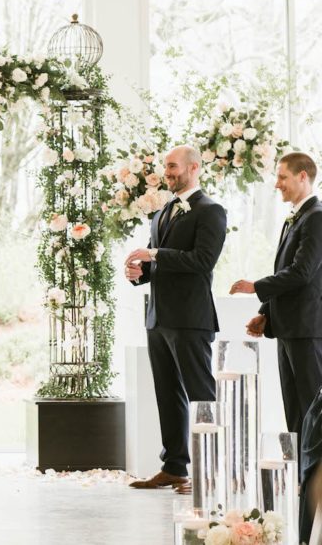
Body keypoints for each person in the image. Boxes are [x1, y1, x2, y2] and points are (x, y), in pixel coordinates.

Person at [125, 145, 227, 493]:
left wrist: (154, 254)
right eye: (165, 166)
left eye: (172, 166)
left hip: (190, 318)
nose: (166, 172)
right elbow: (160, 265)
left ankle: (210, 471)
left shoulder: (211, 211)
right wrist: (139, 272)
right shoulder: (164, 210)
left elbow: (202, 261)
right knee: (167, 395)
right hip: (159, 317)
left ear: (194, 167)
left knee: (200, 395)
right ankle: (174, 468)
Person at [231, 152, 322, 437]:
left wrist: (256, 286)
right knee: (295, 412)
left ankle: (316, 479)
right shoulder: (296, 217)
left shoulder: (316, 217)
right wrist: (266, 313)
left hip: (307, 329)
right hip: (288, 328)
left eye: (283, 177)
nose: (277, 184)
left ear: (303, 176)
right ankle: (300, 478)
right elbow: (287, 271)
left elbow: (301, 272)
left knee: (312, 409)